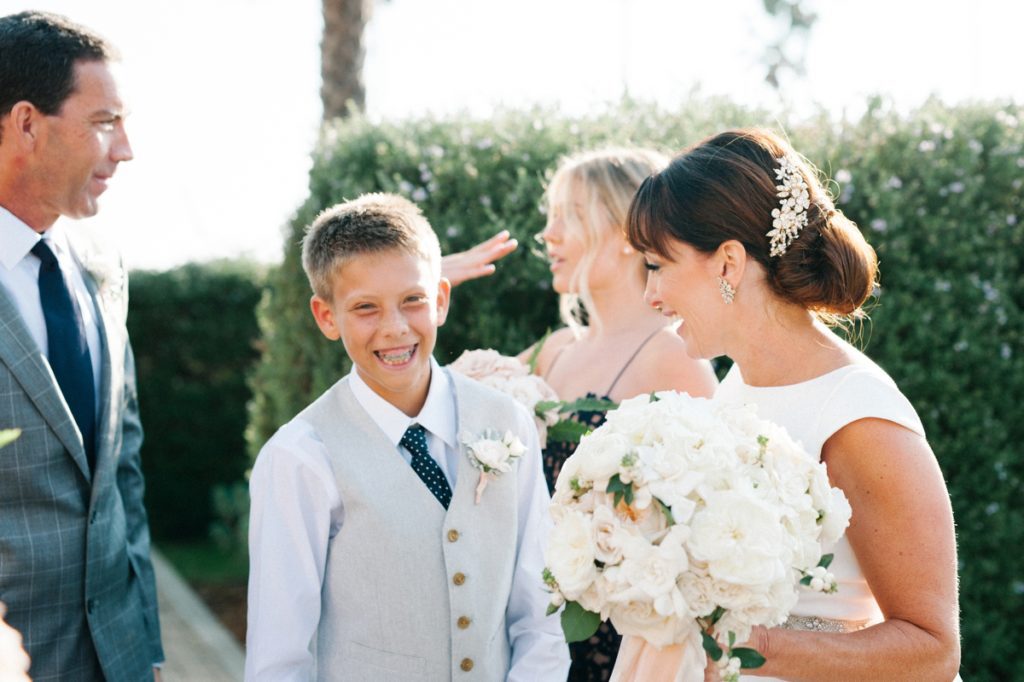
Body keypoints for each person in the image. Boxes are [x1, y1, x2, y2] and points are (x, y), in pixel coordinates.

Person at [621, 128, 960, 680]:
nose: (649, 293)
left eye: (658, 265)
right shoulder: (735, 388)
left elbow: (933, 649)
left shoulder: (858, 416)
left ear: (728, 262)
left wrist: (755, 648)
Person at [245, 193, 570, 680]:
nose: (395, 329)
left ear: (440, 299)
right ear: (327, 316)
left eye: (412, 300)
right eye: (365, 308)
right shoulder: (301, 457)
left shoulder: (508, 423)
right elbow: (279, 655)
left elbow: (540, 611)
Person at [0, 11, 164, 682]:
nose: (124, 149)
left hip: (116, 658)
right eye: (104, 123)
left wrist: (147, 648)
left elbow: (122, 474)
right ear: (27, 124)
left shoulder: (102, 263)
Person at [522, 148, 718, 681]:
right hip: (532, 627)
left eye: (570, 216)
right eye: (550, 217)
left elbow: (707, 527)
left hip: (616, 641)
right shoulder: (552, 351)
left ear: (628, 231)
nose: (550, 235)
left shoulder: (674, 355)